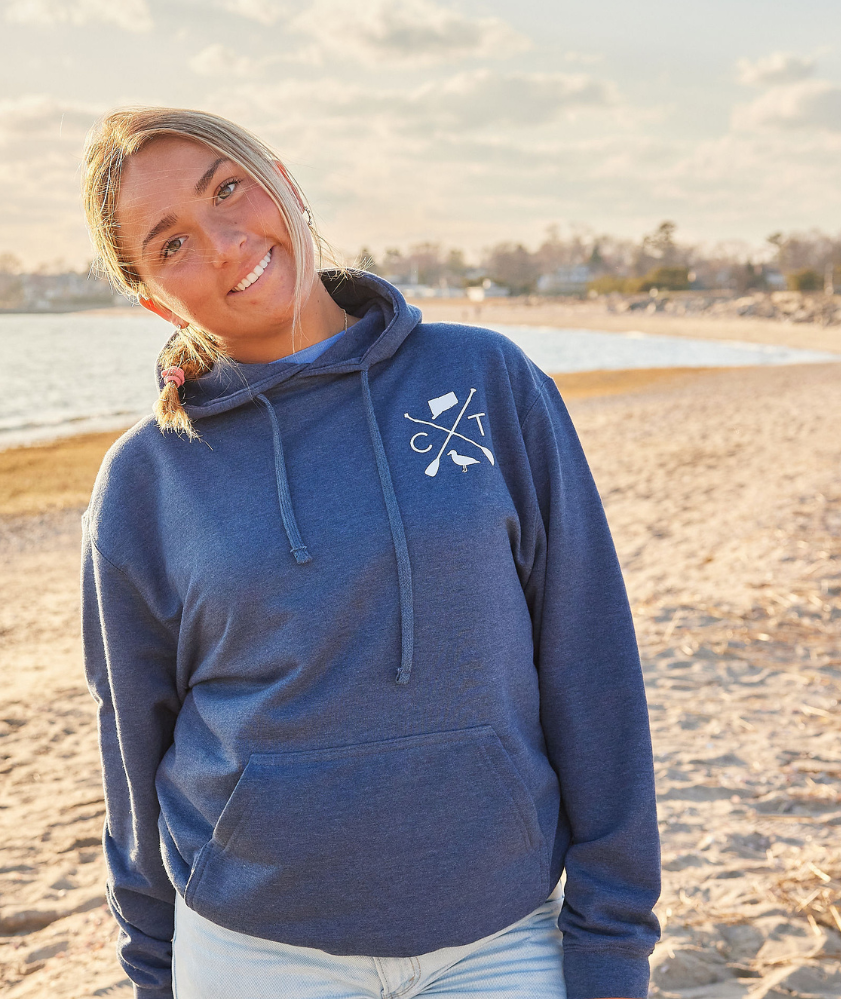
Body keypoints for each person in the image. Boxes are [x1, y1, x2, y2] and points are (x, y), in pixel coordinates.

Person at [80, 107, 660, 999]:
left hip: (502, 932)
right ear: (154, 298)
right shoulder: (146, 478)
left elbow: (592, 662)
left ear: (284, 182)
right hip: (253, 950)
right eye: (173, 244)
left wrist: (613, 936)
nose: (226, 244)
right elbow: (132, 750)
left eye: (228, 189)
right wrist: (153, 971)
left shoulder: (484, 380)